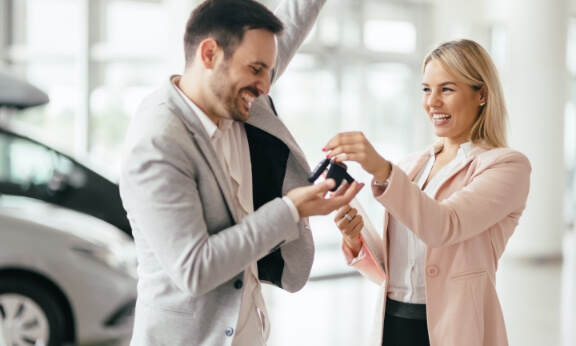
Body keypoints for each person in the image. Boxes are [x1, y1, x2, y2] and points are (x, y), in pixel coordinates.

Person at [119, 0, 364, 345]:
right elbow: (196, 268)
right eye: (256, 69)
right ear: (209, 55)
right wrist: (292, 209)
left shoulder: (233, 97)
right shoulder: (158, 143)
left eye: (269, 70)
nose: (266, 85)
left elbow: (291, 22)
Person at [323, 39, 531, 346]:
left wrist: (382, 169)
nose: (432, 102)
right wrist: (356, 239)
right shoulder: (410, 167)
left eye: (446, 89)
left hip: (456, 331)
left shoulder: (506, 166)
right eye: (426, 89)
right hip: (390, 326)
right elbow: (393, 272)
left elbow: (444, 225)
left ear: (482, 94)